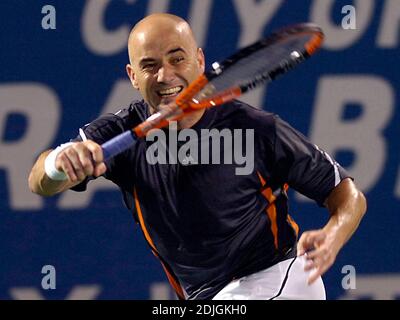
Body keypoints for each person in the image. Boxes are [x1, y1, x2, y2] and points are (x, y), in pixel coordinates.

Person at [28, 13, 367, 300]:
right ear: (133, 76)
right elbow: (39, 181)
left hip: (280, 278)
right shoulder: (119, 132)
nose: (165, 75)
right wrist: (60, 163)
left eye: (178, 58)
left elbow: (347, 193)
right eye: (150, 65)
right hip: (207, 296)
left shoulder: (257, 129)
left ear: (200, 61)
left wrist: (333, 237)